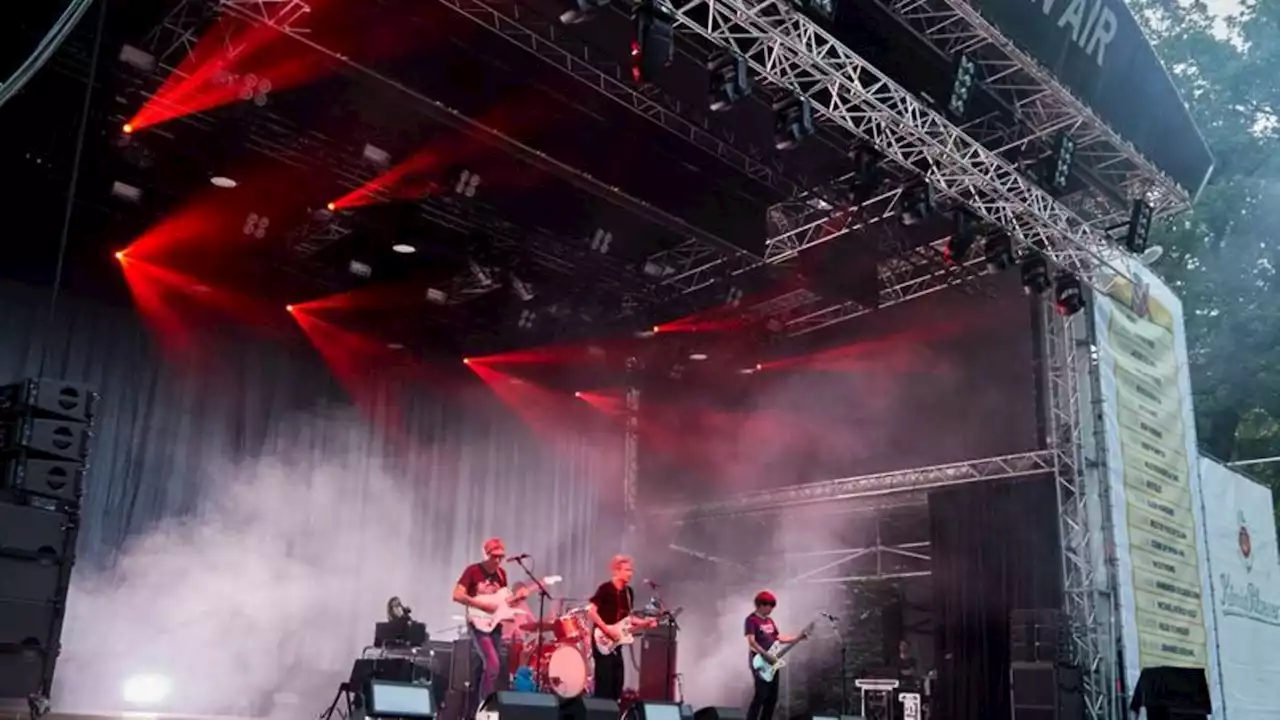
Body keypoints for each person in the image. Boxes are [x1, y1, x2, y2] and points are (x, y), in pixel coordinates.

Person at [452, 537, 512, 717]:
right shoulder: (473, 571)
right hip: (477, 624)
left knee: (493, 667)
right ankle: (484, 707)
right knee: (493, 664)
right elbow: (457, 595)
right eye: (494, 556)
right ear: (486, 555)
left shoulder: (502, 574)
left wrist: (513, 603)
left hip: (494, 625)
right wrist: (481, 605)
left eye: (501, 557)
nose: (498, 561)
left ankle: (483, 706)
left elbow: (501, 601)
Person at [586, 555, 657, 700]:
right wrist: (607, 630)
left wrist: (646, 623)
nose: (630, 573)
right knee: (604, 682)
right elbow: (591, 611)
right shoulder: (605, 589)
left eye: (631, 570)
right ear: (616, 571)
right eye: (627, 570)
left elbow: (628, 618)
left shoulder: (628, 593)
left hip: (616, 643)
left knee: (617, 681)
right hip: (602, 639)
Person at [744, 591, 806, 720]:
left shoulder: (769, 621)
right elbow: (751, 642)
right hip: (760, 660)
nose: (771, 609)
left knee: (772, 698)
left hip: (773, 662)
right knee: (760, 695)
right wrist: (766, 655)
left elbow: (778, 638)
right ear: (761, 605)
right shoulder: (751, 620)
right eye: (770, 606)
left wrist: (797, 638)